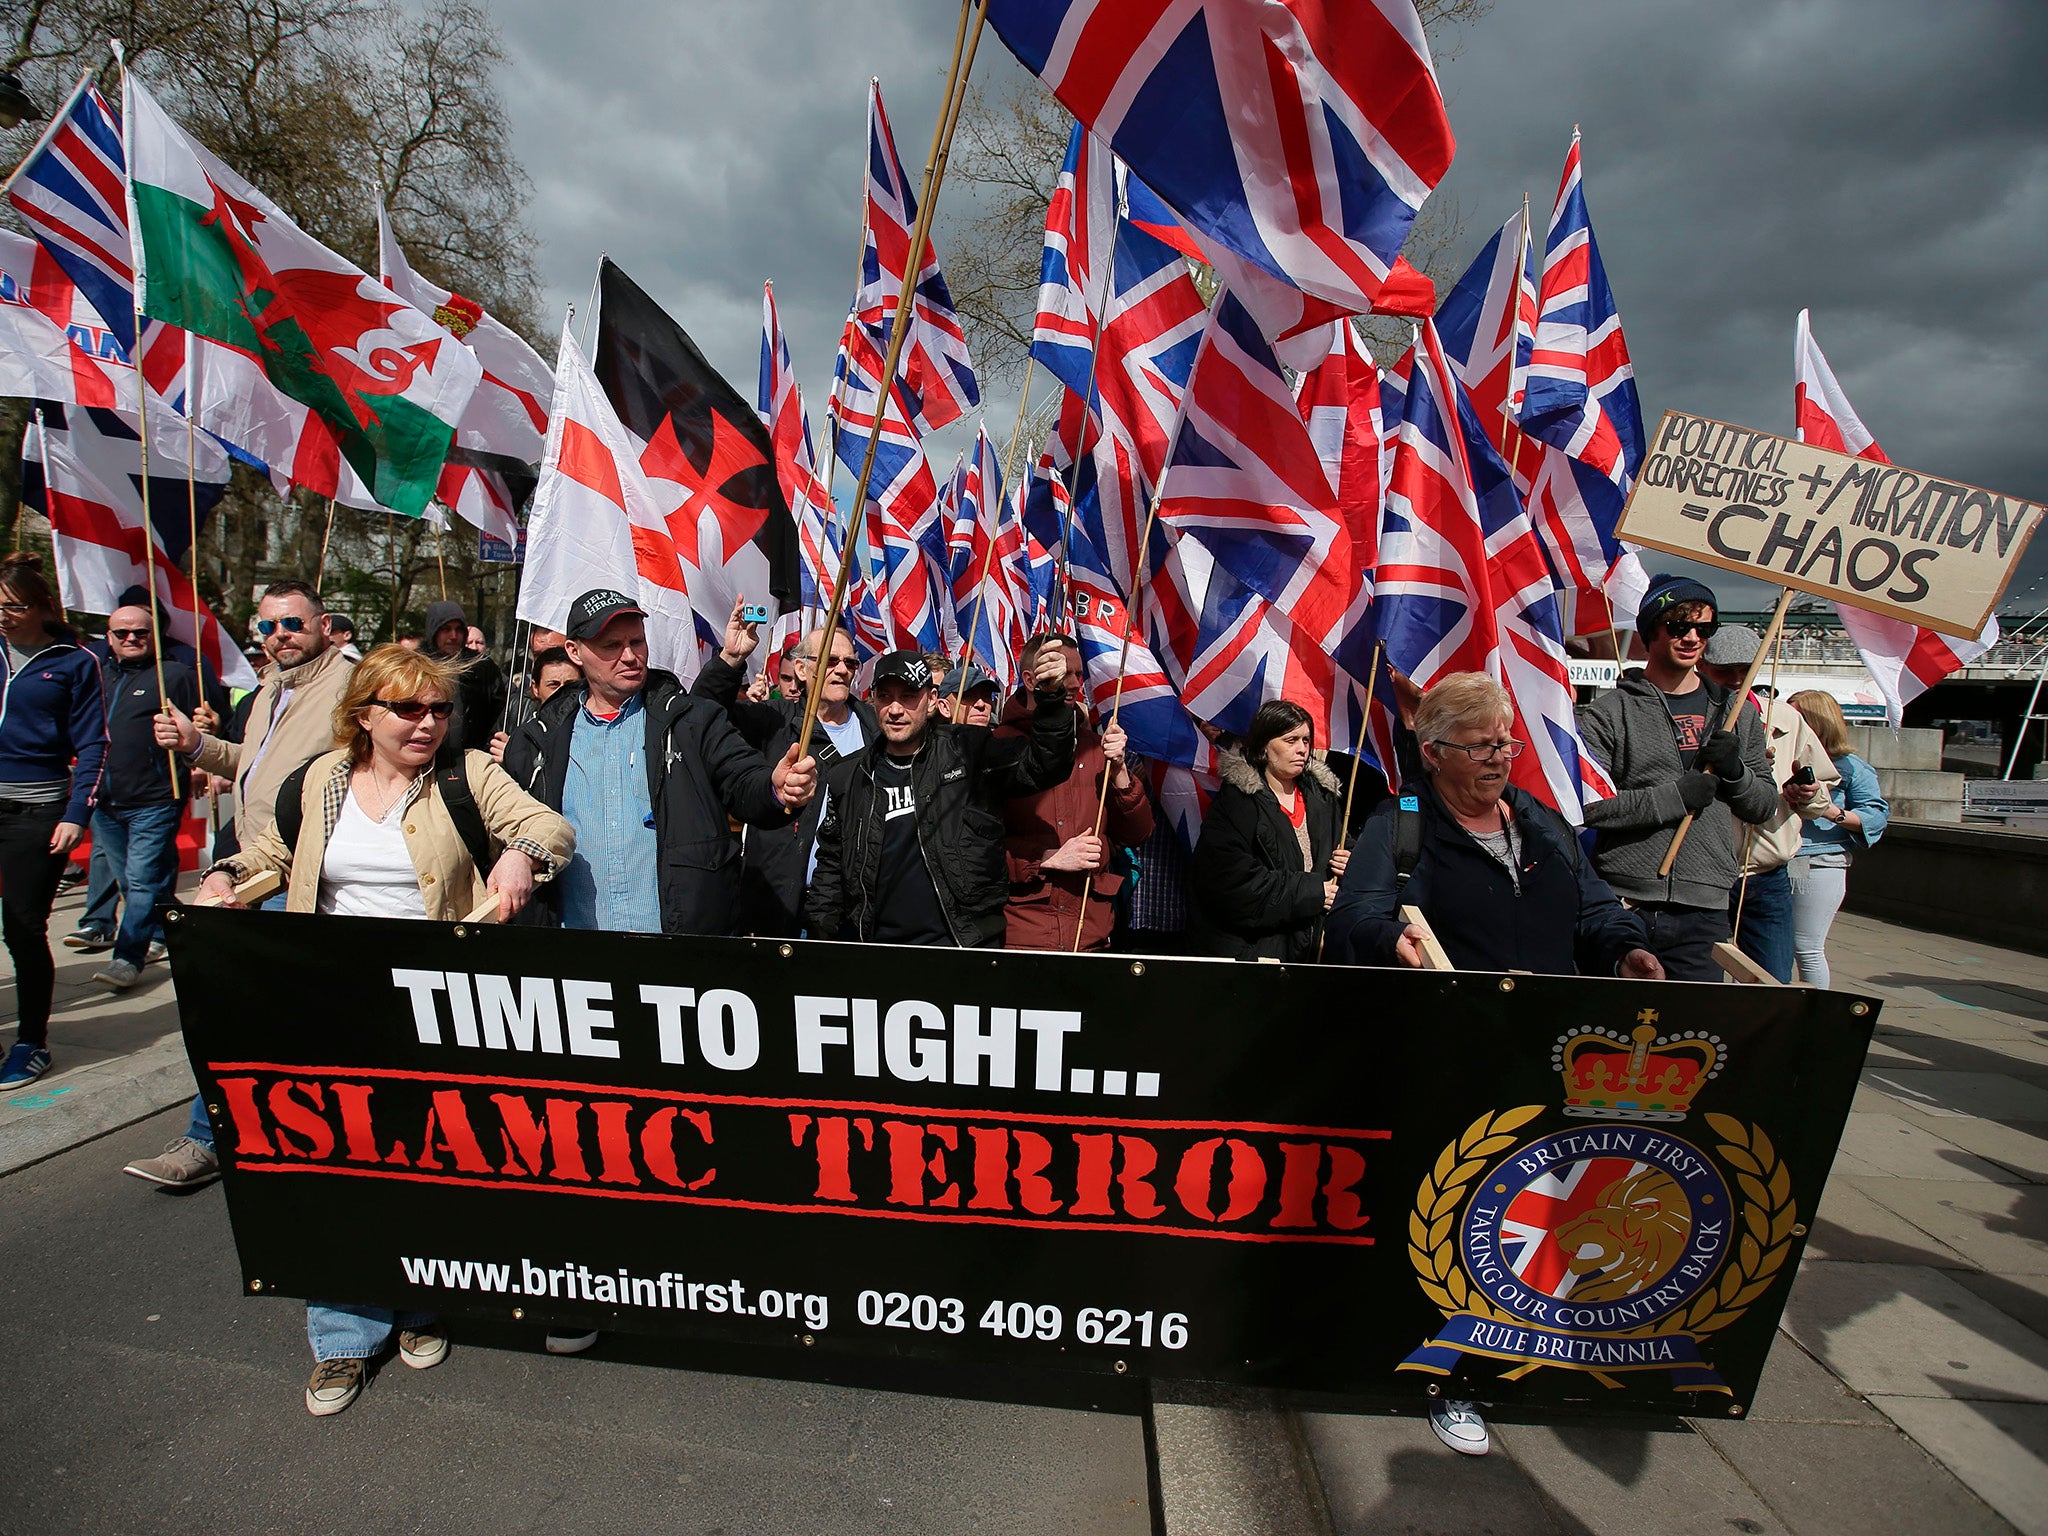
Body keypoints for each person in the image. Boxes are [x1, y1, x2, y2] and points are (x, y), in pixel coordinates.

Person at [194, 645, 574, 1417]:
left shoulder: (467, 776)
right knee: (337, 1168)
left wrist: (518, 856)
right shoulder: (321, 780)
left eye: (439, 709)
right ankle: (340, 1337)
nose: (428, 723)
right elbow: (271, 849)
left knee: (428, 1161)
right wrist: (226, 878)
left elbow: (549, 827)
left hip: (437, 1009)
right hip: (330, 1005)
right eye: (408, 709)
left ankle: (419, 1303)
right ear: (364, 713)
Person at [129, 580, 355, 1180]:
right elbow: (251, 767)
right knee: (245, 1007)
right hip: (250, 867)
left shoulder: (348, 688)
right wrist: (198, 744)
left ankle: (216, 1139)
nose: (279, 637)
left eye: (292, 625)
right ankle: (243, 1134)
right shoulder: (270, 689)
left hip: (306, 873)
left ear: (324, 625)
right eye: (267, 627)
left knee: (250, 1008)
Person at [500, 588, 817, 938]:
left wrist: (775, 787)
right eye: (611, 646)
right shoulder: (536, 741)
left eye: (637, 642)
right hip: (575, 958)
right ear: (574, 651)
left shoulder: (690, 720)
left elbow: (743, 780)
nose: (630, 656)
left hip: (678, 953)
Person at [1326, 673, 1661, 976]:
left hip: (1549, 1030)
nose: (1499, 759)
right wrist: (1390, 939)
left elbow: (1596, 911)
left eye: (1503, 744)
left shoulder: (1544, 824)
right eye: (1479, 748)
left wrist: (1624, 951)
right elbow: (1352, 921)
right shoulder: (1397, 826)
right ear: (1433, 753)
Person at [1576, 575, 1776, 981]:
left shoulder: (1738, 712)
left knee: (1688, 1035)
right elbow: (1588, 805)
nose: (1691, 638)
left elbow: (1764, 805)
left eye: (1703, 629)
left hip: (1706, 909)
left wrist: (1737, 774)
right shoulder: (1610, 712)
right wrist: (1674, 798)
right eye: (1678, 626)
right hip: (1622, 901)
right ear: (1651, 632)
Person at [807, 645, 1074, 946]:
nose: (895, 709)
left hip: (962, 949)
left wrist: (1051, 699)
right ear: (873, 700)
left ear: (932, 700)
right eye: (885, 697)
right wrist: (820, 945)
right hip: (877, 953)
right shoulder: (849, 775)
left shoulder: (968, 751)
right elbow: (830, 868)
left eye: (908, 697)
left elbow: (1045, 765)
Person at [690, 601, 877, 937]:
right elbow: (701, 715)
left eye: (850, 662)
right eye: (830, 661)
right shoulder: (774, 721)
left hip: (850, 909)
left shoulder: (874, 730)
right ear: (802, 670)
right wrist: (731, 659)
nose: (842, 670)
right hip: (777, 905)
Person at [0, 554, 107, 1092]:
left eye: (13, 606)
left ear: (43, 607)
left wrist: (75, 814)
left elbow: (93, 744)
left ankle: (30, 1042)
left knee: (21, 927)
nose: (3, 616)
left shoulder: (73, 662)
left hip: (36, 811)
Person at [998, 634, 1151, 952]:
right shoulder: (997, 745)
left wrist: (1120, 771)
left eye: (1078, 674)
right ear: (1030, 679)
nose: (1074, 683)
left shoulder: (1096, 748)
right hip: (1023, 938)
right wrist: (1046, 860)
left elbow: (1137, 833)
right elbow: (974, 850)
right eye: (1062, 673)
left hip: (1091, 936)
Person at [1700, 627, 1835, 982]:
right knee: (1699, 984)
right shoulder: (1693, 719)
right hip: (1704, 874)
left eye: (1745, 670)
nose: (1736, 679)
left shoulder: (1787, 720)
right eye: (1724, 670)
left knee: (1772, 983)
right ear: (1703, 666)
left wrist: (1808, 795)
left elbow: (1822, 795)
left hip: (1766, 875)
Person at [85, 604, 206, 990]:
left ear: (155, 637)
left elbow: (205, 721)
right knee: (136, 882)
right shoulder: (97, 675)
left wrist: (204, 742)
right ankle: (166, 928)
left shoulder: (175, 674)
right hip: (105, 800)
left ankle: (127, 957)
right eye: (122, 633)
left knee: (141, 880)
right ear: (109, 638)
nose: (131, 638)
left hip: (155, 797)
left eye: (140, 632)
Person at [1189, 700, 1345, 963]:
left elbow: (1339, 844)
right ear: (1264, 744)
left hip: (1311, 954)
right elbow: (1233, 884)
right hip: (1253, 956)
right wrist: (1312, 892)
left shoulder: (1322, 797)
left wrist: (1349, 858)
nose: (1301, 750)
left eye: (1306, 740)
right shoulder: (1237, 800)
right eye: (1290, 740)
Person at [1787, 690, 1890, 988]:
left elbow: (1875, 817)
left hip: (1819, 861)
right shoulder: (1783, 757)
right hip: (1779, 859)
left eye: (1799, 718)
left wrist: (1830, 811)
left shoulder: (1851, 767)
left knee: (1806, 946)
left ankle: (1814, 1018)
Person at [423, 599, 505, 752]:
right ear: (434, 631)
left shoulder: (482, 666)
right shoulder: (417, 664)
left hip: (473, 753)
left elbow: (499, 710)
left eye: (459, 630)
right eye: (446, 629)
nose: (453, 636)